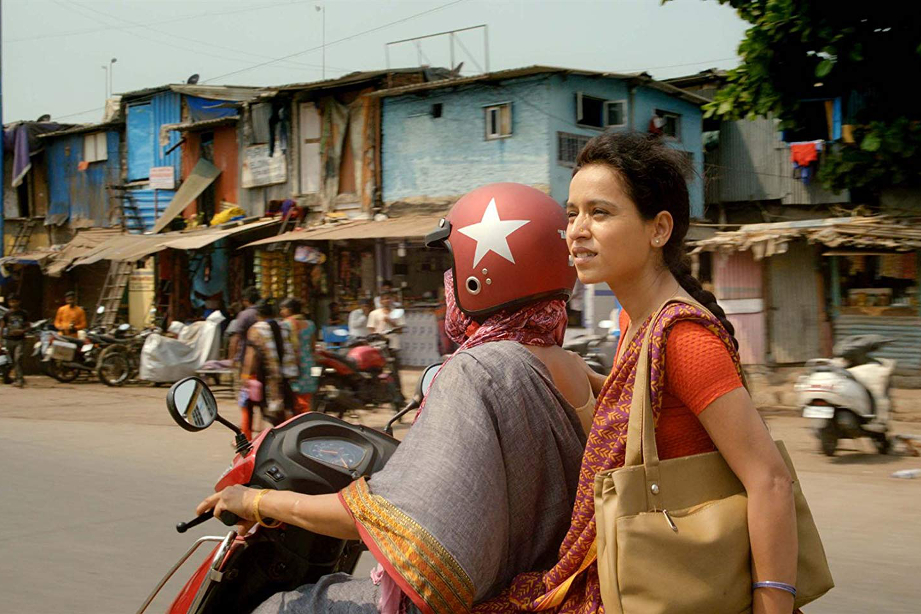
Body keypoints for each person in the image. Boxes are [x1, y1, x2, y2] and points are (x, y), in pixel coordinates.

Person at [197, 182, 597, 613]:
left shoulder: (480, 371)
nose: (448, 280)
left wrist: (256, 500)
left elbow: (397, 518)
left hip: (491, 600)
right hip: (552, 591)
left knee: (282, 607)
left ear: (484, 274)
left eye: (453, 265)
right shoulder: (578, 369)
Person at [478, 132, 798, 614]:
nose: (577, 231)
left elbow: (769, 480)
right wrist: (568, 374)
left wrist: (772, 607)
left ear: (658, 229)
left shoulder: (684, 339)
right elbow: (655, 409)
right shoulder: (634, 321)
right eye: (572, 213)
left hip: (661, 578)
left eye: (599, 213)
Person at [239, 301, 298, 440]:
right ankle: (285, 438)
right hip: (284, 375)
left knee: (247, 405)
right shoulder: (285, 327)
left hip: (264, 375)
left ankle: (246, 439)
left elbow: (251, 355)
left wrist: (245, 375)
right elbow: (294, 349)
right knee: (281, 410)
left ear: (258, 314)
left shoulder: (256, 329)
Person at [279, 297, 318, 414]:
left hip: (291, 364)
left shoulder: (285, 324)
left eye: (283, 309)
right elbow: (312, 346)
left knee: (292, 396)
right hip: (307, 362)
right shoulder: (310, 324)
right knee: (306, 396)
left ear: (289, 310)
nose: (281, 312)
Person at [367, 292, 406, 406]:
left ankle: (399, 397)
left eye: (389, 298)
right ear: (380, 301)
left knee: (394, 372)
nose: (386, 301)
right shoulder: (374, 314)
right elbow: (371, 329)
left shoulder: (398, 313)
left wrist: (390, 322)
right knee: (376, 372)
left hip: (393, 346)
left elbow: (400, 330)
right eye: (384, 299)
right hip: (378, 347)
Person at [226, 287, 261, 365]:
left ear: (246, 300)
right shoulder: (264, 314)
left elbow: (235, 338)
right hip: (262, 357)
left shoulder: (244, 315)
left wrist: (231, 360)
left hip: (245, 356)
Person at [1, 294, 29, 387]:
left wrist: (22, 331)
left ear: (19, 302)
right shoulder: (7, 314)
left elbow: (28, 326)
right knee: (13, 361)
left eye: (15, 301)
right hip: (9, 340)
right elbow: (2, 327)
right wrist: (0, 340)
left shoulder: (23, 313)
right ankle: (16, 377)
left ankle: (19, 380)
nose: (13, 303)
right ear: (9, 303)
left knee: (18, 359)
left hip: (20, 340)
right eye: (11, 301)